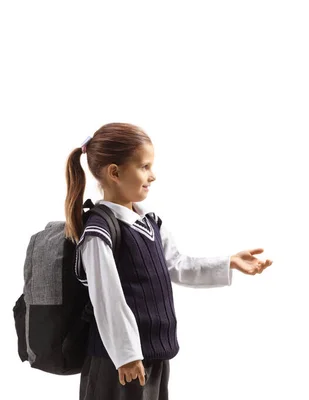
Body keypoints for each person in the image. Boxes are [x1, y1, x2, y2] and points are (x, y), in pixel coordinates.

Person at [65, 122, 273, 400]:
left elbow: (177, 265)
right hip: (118, 361)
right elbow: (107, 298)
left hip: (153, 354)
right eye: (144, 167)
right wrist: (126, 355)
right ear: (115, 172)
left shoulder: (149, 221)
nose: (153, 176)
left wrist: (229, 262)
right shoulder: (99, 231)